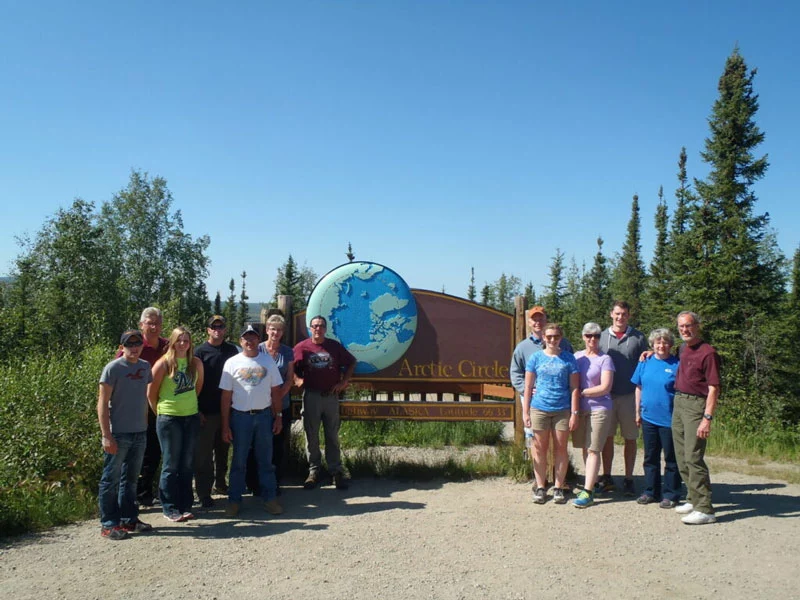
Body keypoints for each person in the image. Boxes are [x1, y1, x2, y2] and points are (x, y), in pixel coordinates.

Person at [220, 323, 284, 518]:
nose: (250, 341)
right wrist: (225, 425)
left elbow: (275, 392)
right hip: (240, 417)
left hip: (264, 416)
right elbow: (225, 396)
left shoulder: (268, 361)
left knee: (265, 461)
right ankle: (234, 500)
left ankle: (269, 498)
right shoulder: (231, 363)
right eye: (246, 338)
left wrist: (278, 416)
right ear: (241, 341)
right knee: (239, 461)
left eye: (253, 337)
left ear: (258, 339)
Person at [97, 329, 154, 540]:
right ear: (122, 347)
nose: (134, 347)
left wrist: (146, 424)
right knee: (110, 480)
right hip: (118, 433)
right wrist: (106, 434)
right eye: (129, 344)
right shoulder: (112, 368)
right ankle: (109, 523)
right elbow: (102, 403)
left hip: (139, 432)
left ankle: (129, 518)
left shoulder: (145, 366)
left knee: (130, 480)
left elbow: (144, 397)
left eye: (137, 343)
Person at [148, 326, 204, 523]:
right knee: (170, 464)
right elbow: (151, 393)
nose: (182, 344)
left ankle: (185, 504)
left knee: (187, 464)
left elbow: (197, 388)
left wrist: (187, 407)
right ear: (172, 342)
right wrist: (162, 413)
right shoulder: (163, 364)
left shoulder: (195, 363)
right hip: (169, 419)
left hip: (190, 417)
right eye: (179, 340)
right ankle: (169, 507)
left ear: (190, 343)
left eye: (186, 340)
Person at [294, 315, 356, 490]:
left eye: (321, 326)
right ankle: (314, 471)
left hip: (331, 397)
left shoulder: (334, 347)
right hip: (311, 396)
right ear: (310, 328)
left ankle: (335, 471)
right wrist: (297, 379)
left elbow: (351, 362)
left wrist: (344, 382)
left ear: (325, 328)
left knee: (332, 435)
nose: (317, 329)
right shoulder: (302, 347)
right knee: (311, 436)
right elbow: (291, 366)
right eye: (314, 326)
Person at [509, 306, 574, 471]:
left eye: (541, 319)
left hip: (559, 400)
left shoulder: (564, 345)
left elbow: (572, 370)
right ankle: (537, 478)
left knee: (559, 444)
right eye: (534, 319)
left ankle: (558, 478)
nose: (538, 322)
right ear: (529, 322)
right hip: (534, 400)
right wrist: (527, 390)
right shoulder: (523, 347)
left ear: (545, 321)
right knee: (535, 441)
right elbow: (516, 372)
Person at [522, 323, 580, 504]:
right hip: (539, 408)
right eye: (549, 337)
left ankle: (558, 487)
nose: (552, 340)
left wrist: (574, 413)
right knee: (539, 448)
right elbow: (528, 386)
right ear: (544, 338)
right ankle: (540, 486)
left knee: (561, 449)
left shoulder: (569, 359)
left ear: (561, 337)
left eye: (556, 336)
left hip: (562, 410)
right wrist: (525, 412)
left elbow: (575, 388)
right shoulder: (535, 358)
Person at [116, 307, 168, 507]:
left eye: (157, 323)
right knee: (137, 455)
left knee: (155, 452)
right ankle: (131, 497)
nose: (153, 327)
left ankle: (146, 493)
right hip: (136, 409)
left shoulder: (167, 346)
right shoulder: (133, 346)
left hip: (161, 407)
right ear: (141, 325)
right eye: (149, 323)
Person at [672, 311, 720, 525]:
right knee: (681, 455)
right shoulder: (683, 348)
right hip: (679, 402)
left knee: (694, 456)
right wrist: (648, 353)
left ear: (697, 326)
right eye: (681, 326)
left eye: (688, 325)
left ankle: (705, 509)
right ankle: (692, 497)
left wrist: (707, 418)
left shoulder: (707, 353)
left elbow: (713, 388)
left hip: (696, 406)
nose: (685, 330)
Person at [598, 300, 648, 496]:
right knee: (607, 438)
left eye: (624, 314)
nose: (620, 317)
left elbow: (645, 364)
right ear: (611, 314)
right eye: (617, 314)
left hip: (629, 395)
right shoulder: (601, 337)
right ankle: (607, 476)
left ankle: (629, 478)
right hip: (607, 396)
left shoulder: (638, 337)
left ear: (629, 316)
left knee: (630, 438)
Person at [631, 328, 682, 508]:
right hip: (648, 418)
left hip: (669, 419)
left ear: (671, 345)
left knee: (671, 459)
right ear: (652, 344)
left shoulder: (677, 364)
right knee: (650, 457)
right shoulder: (645, 361)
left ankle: (671, 494)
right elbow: (638, 387)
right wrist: (637, 412)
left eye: (665, 342)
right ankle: (650, 491)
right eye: (658, 342)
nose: (661, 345)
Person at [193, 315, 239, 508]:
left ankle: (221, 483)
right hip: (206, 410)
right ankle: (203, 492)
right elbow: (192, 384)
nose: (217, 330)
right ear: (208, 330)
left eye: (221, 326)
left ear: (225, 329)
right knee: (203, 455)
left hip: (228, 410)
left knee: (223, 451)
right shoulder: (199, 352)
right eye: (214, 327)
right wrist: (196, 409)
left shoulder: (233, 350)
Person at [571, 323, 615, 508]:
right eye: (588, 335)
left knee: (593, 449)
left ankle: (587, 492)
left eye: (596, 336)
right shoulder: (576, 357)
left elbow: (606, 387)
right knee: (584, 447)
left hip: (600, 408)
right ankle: (594, 481)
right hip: (579, 409)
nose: (592, 339)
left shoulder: (605, 359)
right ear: (583, 337)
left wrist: (582, 392)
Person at [259, 314, 296, 494]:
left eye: (279, 329)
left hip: (282, 404)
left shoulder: (287, 352)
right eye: (272, 328)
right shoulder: (258, 349)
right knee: (258, 444)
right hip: (260, 405)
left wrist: (278, 399)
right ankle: (256, 482)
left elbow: (289, 379)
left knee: (277, 445)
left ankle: (275, 482)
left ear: (283, 332)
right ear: (267, 330)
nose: (275, 332)